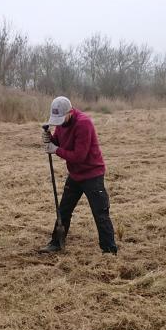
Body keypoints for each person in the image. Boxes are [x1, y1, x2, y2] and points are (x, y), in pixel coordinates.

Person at [39, 96, 118, 254]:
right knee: (64, 210)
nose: (58, 122)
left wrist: (55, 150)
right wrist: (50, 140)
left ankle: (109, 250)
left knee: (100, 212)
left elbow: (79, 156)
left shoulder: (83, 123)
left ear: (70, 112)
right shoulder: (61, 124)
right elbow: (60, 141)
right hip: (75, 174)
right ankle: (56, 243)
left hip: (92, 174)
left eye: (61, 118)